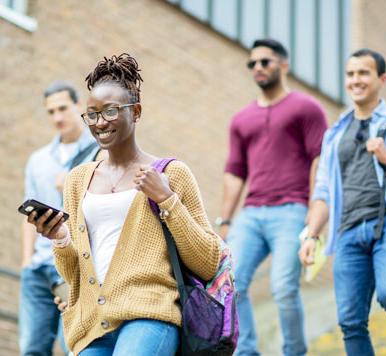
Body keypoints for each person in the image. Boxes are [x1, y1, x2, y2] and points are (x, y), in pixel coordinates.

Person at [27, 53, 222, 356]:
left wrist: (167, 200)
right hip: (92, 324)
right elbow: (72, 275)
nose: (100, 122)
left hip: (149, 316)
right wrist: (61, 238)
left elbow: (208, 261)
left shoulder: (171, 173)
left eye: (110, 111)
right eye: (91, 114)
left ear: (136, 111)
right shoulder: (77, 180)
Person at [299, 48, 386, 356]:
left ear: (381, 79)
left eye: (363, 73)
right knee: (350, 321)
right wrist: (311, 233)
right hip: (347, 231)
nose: (355, 80)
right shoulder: (335, 133)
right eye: (350, 74)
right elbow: (323, 191)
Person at [218, 38, 328, 355]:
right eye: (252, 63)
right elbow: (235, 171)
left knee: (282, 287)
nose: (258, 68)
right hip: (251, 214)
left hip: (291, 210)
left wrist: (312, 213)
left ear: (283, 65)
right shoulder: (241, 119)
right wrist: (225, 220)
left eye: (265, 62)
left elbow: (319, 161)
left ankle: (294, 351)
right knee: (230, 282)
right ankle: (246, 350)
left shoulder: (306, 108)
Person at [20, 81, 100, 356]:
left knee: (74, 347)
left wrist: (74, 183)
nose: (57, 117)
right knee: (32, 348)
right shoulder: (38, 160)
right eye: (51, 111)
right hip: (38, 267)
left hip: (74, 263)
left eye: (63, 108)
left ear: (79, 107)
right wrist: (26, 261)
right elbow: (28, 216)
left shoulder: (100, 153)